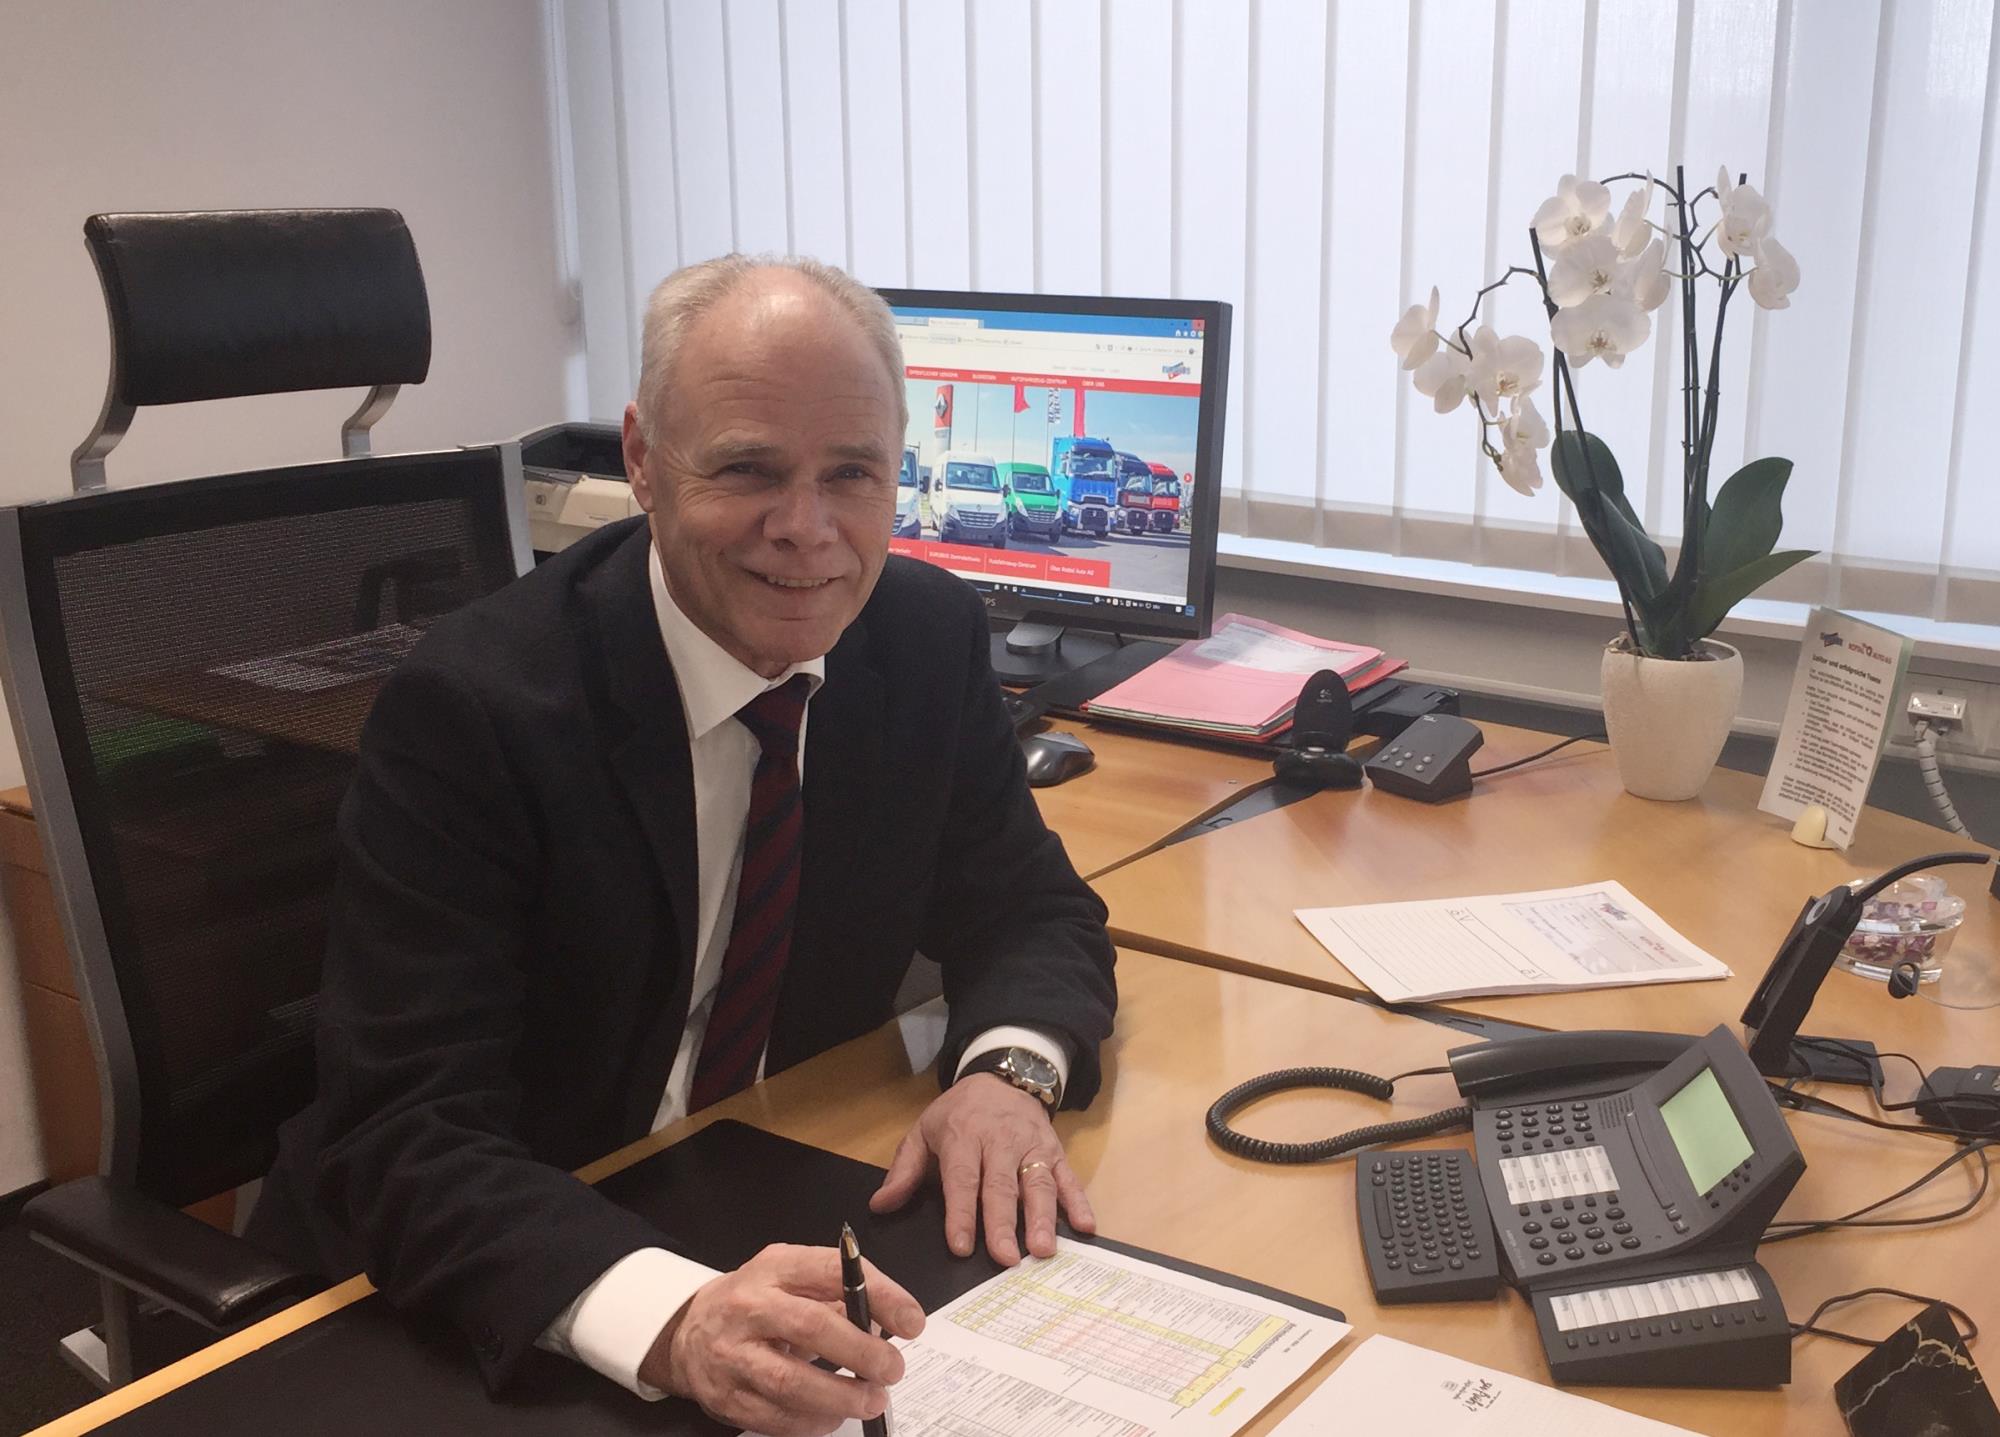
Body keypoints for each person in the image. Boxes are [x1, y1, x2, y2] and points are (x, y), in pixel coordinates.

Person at [250, 255, 1118, 1435]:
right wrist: (673, 1317)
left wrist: (1005, 1078)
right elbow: (398, 1132)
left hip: (751, 1187)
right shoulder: (477, 711)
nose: (805, 532)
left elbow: (1027, 910)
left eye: (851, 475)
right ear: (644, 461)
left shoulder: (917, 637)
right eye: (748, 470)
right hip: (489, 1276)